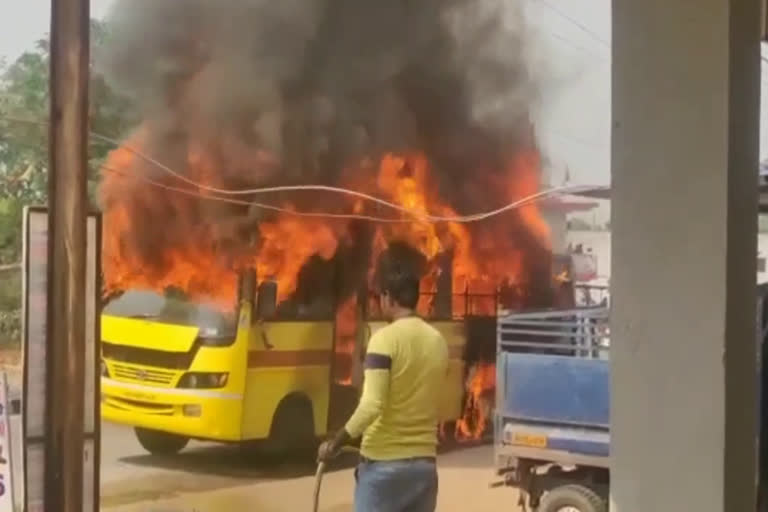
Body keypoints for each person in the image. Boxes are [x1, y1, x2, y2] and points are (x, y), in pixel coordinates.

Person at [317, 265, 449, 512]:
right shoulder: (438, 341)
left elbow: (372, 404)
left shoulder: (383, 339)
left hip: (384, 467)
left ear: (389, 297)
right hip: (424, 468)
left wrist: (337, 441)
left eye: (381, 298)